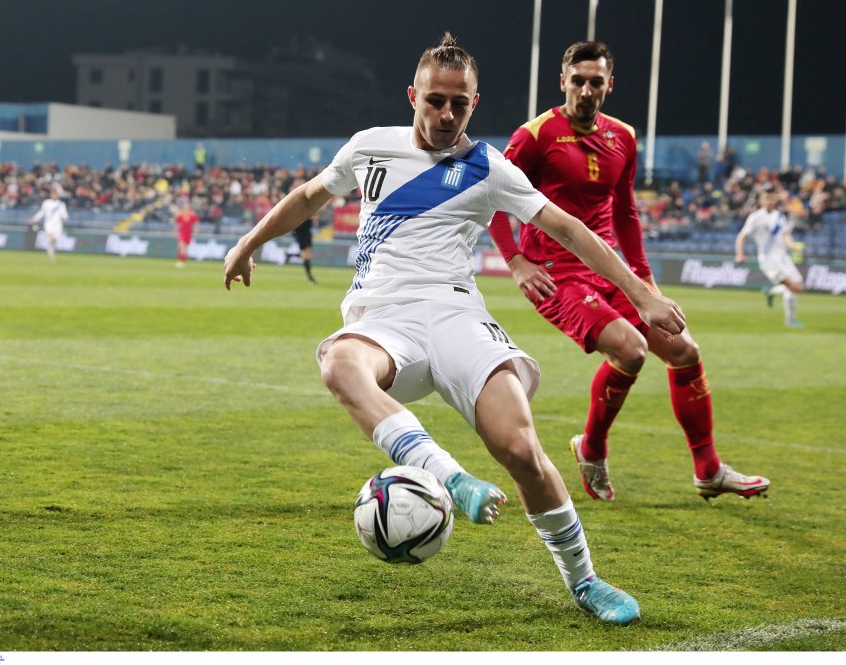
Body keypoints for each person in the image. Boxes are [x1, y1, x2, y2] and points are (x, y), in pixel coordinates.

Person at [223, 33, 689, 625]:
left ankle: (585, 581)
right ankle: (449, 477)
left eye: (459, 104)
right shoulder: (370, 146)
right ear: (412, 96)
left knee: (521, 449)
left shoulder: (488, 167)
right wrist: (246, 243)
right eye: (435, 101)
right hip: (384, 318)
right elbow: (309, 196)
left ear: (475, 103)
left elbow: (570, 229)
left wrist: (642, 295)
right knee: (339, 364)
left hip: (457, 317)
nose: (446, 115)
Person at [488, 40, 770, 505]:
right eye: (577, 81)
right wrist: (516, 260)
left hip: (611, 270)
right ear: (562, 82)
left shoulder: (624, 136)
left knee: (684, 350)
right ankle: (592, 449)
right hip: (557, 274)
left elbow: (625, 212)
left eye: (595, 82)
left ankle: (709, 470)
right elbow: (492, 197)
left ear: (609, 85)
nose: (586, 90)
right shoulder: (535, 135)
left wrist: (644, 281)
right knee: (631, 349)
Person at [735, 182, 805, 328]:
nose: (769, 199)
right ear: (761, 199)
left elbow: (785, 234)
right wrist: (740, 254)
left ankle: (772, 292)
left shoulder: (779, 216)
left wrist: (792, 246)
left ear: (775, 198)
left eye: (771, 196)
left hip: (783, 257)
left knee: (799, 286)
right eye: (766, 197)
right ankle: (790, 319)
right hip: (769, 260)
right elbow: (741, 236)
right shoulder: (755, 217)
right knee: (792, 287)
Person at [28, 185, 69, 261]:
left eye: (56, 194)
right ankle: (51, 253)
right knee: (52, 238)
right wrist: (35, 218)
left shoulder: (61, 204)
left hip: (58, 225)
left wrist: (64, 217)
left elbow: (65, 215)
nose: (54, 195)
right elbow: (42, 212)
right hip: (48, 224)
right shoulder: (46, 203)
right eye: (53, 193)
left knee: (55, 240)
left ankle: (51, 252)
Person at [174, 201, 200, 268]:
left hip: (188, 233)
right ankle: (181, 260)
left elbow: (196, 223)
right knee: (181, 246)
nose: (186, 208)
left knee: (185, 247)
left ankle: (183, 260)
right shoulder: (181, 214)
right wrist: (175, 230)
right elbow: (177, 223)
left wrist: (196, 230)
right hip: (182, 232)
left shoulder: (192, 215)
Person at [292, 216, 318, 284]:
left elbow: (314, 220)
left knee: (308, 255)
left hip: (307, 232)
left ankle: (290, 255)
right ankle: (309, 277)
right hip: (300, 232)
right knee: (306, 255)